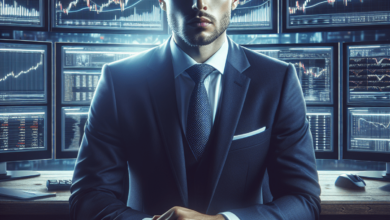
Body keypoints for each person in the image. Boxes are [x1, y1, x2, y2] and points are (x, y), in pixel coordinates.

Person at [69, 0, 321, 219]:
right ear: (162, 0)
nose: (199, 3)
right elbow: (89, 197)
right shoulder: (119, 81)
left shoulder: (277, 81)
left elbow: (303, 200)